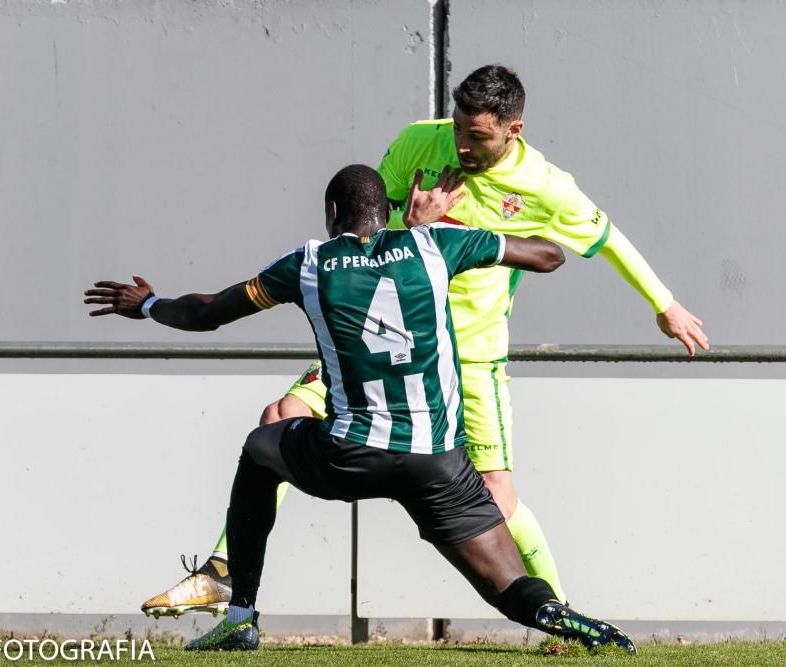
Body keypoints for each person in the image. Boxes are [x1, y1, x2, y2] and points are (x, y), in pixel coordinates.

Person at [140, 64, 709, 616]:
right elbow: (368, 219)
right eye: (457, 126)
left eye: (476, 135)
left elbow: (604, 239)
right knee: (280, 413)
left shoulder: (547, 187)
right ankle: (221, 573)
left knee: (497, 496)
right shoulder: (420, 141)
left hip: (471, 353)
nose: (460, 144)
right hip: (391, 340)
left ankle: (558, 614)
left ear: (515, 130)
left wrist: (665, 304)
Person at [85, 164, 635, 654]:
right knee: (510, 591)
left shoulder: (308, 263)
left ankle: (240, 616)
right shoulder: (436, 246)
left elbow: (208, 313)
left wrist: (150, 305)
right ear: (387, 209)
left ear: (332, 213)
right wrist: (449, 226)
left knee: (260, 451)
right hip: (438, 463)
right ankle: (553, 614)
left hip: (348, 454)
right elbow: (550, 255)